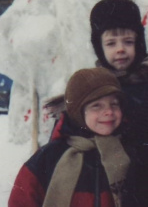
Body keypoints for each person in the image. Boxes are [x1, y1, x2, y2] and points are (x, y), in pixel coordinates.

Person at [9, 67, 135, 206]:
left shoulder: (128, 151)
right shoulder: (49, 157)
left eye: (114, 104)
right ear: (77, 112)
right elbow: (22, 199)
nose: (109, 112)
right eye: (97, 106)